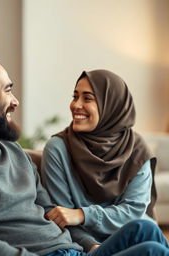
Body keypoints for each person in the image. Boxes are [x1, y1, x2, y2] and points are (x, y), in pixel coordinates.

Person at [0, 57, 168, 256]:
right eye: (7, 90)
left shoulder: (12, 150)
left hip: (72, 251)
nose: (15, 101)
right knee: (152, 251)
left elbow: (50, 212)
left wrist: (90, 247)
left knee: (145, 229)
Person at [41, 69, 158, 252]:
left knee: (147, 231)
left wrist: (83, 214)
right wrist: (91, 246)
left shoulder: (137, 148)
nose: (76, 105)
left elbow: (133, 212)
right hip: (89, 245)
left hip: (135, 235)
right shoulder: (58, 149)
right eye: (75, 96)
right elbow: (61, 217)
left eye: (87, 98)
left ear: (112, 104)